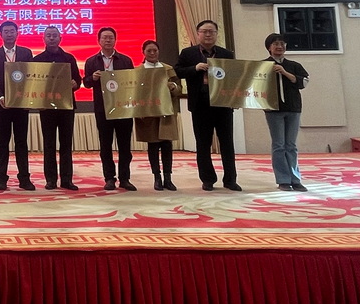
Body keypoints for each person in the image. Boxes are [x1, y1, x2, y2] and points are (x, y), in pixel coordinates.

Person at [176, 20, 241, 192]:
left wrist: (235, 100)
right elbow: (178, 71)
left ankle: (230, 180)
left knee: (227, 143)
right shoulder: (188, 53)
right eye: (204, 31)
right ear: (198, 34)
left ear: (216, 34)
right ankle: (208, 179)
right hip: (200, 103)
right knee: (203, 143)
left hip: (223, 103)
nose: (208, 34)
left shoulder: (226, 54)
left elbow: (235, 77)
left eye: (211, 31)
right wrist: (194, 68)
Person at [82, 27, 136, 191]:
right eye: (104, 37)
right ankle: (109, 178)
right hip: (102, 109)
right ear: (99, 40)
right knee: (105, 145)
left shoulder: (125, 60)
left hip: (123, 108)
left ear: (115, 40)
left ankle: (125, 178)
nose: (107, 40)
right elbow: (86, 83)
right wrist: (93, 78)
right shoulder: (92, 61)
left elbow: (132, 82)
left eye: (111, 37)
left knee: (125, 145)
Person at [0, 21, 35, 191]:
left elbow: (31, 77)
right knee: (2, 142)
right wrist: (0, 97)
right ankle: (2, 179)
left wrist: (27, 98)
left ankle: (24, 178)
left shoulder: (26, 53)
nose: (9, 34)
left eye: (12, 31)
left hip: (21, 105)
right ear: (0, 34)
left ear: (17, 33)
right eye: (6, 31)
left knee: (21, 142)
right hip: (2, 105)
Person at [32, 26, 83, 191]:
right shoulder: (37, 60)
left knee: (66, 144)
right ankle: (51, 180)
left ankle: (67, 180)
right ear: (44, 39)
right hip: (46, 108)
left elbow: (78, 80)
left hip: (66, 106)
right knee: (49, 144)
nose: (52, 38)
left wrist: (75, 84)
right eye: (48, 35)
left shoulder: (69, 58)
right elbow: (33, 84)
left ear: (60, 38)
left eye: (54, 35)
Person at [263, 33, 310, 192]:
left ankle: (295, 179)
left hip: (293, 108)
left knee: (291, 145)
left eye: (282, 44)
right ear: (269, 47)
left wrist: (284, 72)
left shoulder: (294, 65)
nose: (279, 46)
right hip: (273, 109)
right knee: (278, 145)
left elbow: (304, 82)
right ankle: (283, 180)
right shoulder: (262, 65)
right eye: (275, 44)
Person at [134, 40, 182, 191]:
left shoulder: (168, 69)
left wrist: (173, 87)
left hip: (166, 113)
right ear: (143, 52)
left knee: (167, 145)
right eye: (149, 51)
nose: (152, 53)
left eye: (155, 50)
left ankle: (168, 178)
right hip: (148, 115)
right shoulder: (138, 71)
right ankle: (157, 177)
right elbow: (134, 94)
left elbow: (179, 89)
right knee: (153, 145)